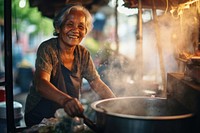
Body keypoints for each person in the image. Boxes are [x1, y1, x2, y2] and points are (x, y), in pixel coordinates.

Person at [24, 4, 116, 127]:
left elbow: (96, 83)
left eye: (81, 26)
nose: (75, 30)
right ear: (58, 27)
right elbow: (41, 83)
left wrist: (116, 104)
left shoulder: (83, 54)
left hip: (66, 116)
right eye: (70, 24)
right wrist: (66, 100)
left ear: (85, 32)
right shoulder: (48, 48)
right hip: (40, 116)